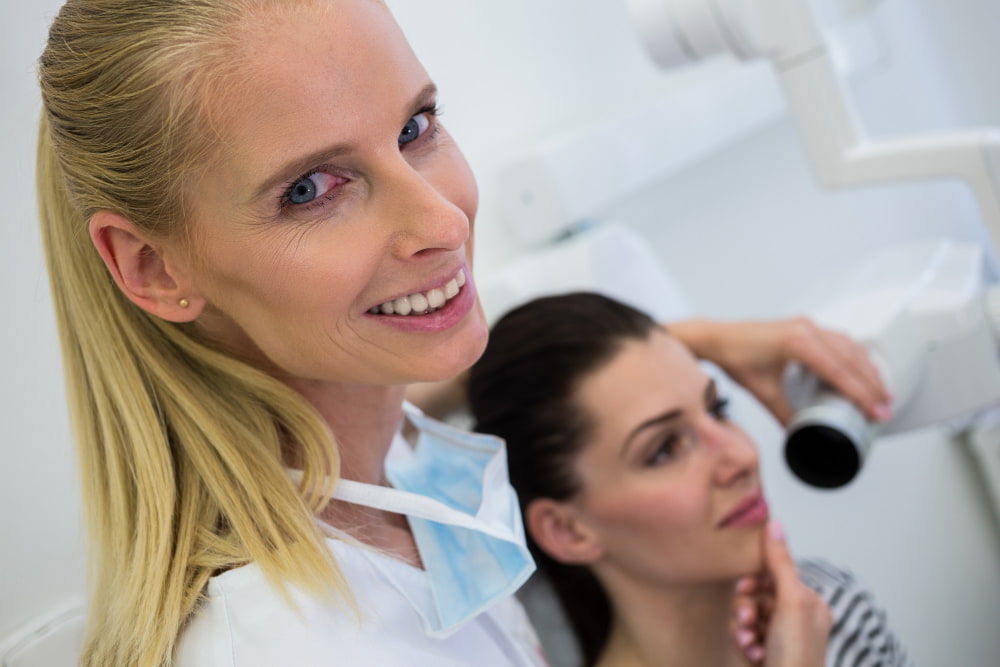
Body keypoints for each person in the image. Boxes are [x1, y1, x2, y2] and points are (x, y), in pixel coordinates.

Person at [36, 1, 891, 665]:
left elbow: (479, 348)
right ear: (153, 268)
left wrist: (693, 343)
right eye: (313, 188)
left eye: (416, 127)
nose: (442, 217)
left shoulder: (379, 448)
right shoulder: (301, 647)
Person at [468, 292, 911, 667]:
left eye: (717, 409)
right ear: (567, 530)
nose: (741, 455)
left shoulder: (829, 614)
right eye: (664, 449)